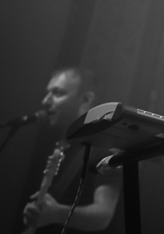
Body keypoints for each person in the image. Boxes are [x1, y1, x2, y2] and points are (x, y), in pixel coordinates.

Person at [22, 66, 122, 232]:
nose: (46, 101)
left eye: (58, 93)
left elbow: (103, 215)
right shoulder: (62, 144)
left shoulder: (104, 148)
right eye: (48, 93)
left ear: (85, 100)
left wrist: (56, 213)